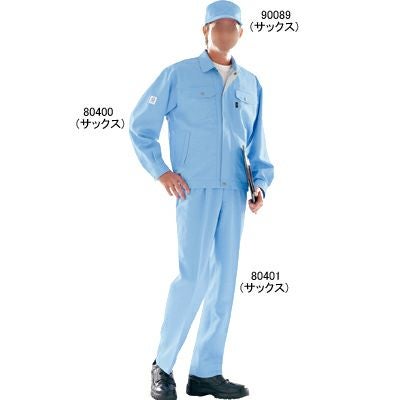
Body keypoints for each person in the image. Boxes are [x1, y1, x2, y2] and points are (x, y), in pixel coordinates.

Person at [128, 1, 274, 398]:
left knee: (224, 283)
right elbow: (140, 126)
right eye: (217, 25)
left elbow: (256, 144)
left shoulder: (251, 83)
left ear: (241, 32)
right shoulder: (178, 75)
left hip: (235, 191)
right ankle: (162, 365)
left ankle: (206, 372)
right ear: (204, 30)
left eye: (232, 25)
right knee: (192, 278)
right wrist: (161, 170)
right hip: (193, 190)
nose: (225, 31)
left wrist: (260, 185)